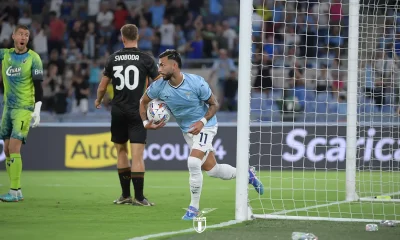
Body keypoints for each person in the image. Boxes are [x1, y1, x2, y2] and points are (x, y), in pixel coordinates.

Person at [139, 49, 264, 220]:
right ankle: (246, 174)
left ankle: (193, 208)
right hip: (188, 130)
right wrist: (146, 123)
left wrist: (202, 122)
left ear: (174, 66)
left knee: (193, 162)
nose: (158, 68)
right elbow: (143, 102)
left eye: (162, 65)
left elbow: (214, 104)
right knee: (213, 170)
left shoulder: (196, 82)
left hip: (206, 126)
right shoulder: (158, 86)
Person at [95, 24, 160, 206]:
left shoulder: (112, 59)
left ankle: (125, 195)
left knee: (121, 151)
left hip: (118, 111)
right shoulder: (146, 59)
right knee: (137, 156)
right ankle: (139, 198)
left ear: (122, 38)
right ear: (137, 37)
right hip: (138, 111)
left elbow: (102, 87)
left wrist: (98, 100)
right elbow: (159, 83)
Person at [0, 25, 44, 202]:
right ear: (13, 36)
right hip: (7, 108)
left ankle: (14, 190)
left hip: (24, 107)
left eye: (26, 35)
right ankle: (16, 190)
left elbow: (39, 86)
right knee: (6, 149)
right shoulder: (5, 55)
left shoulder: (34, 58)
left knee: (14, 147)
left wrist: (37, 109)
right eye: (20, 34)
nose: (23, 37)